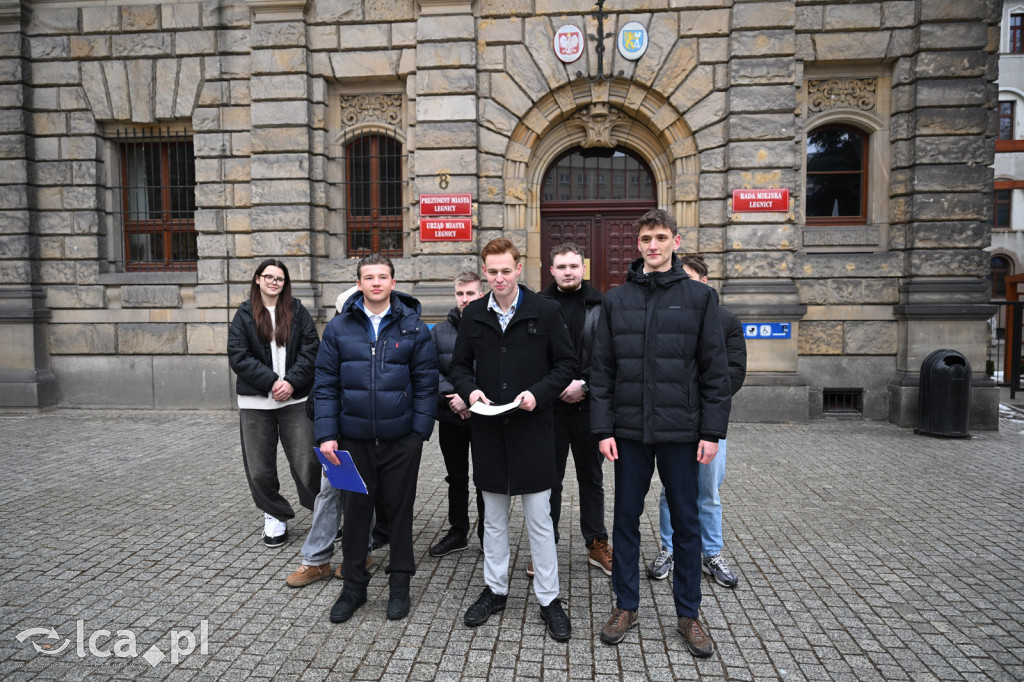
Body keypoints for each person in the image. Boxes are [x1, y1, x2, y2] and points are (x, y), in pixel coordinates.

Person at [589, 209, 731, 657]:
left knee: (687, 523)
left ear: (676, 241)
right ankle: (625, 605)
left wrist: (712, 431)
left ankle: (689, 613)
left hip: (682, 432)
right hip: (629, 432)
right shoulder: (616, 300)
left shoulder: (700, 298)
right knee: (625, 520)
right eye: (647, 238)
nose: (653, 245)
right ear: (638, 244)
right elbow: (602, 371)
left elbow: (715, 371)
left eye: (661, 237)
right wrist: (603, 428)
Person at [449, 238, 577, 642]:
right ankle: (495, 590)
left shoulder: (546, 310)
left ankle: (549, 599)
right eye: (492, 272)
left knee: (540, 520)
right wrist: (470, 391)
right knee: (494, 520)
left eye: (506, 270)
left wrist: (538, 394)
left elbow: (566, 364)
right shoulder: (473, 314)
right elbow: (458, 366)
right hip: (489, 430)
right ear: (484, 272)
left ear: (519, 269)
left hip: (533, 429)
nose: (499, 278)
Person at [312, 253, 438, 623]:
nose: (376, 283)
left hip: (401, 440)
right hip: (352, 442)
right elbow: (326, 383)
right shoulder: (339, 327)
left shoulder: (414, 327)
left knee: (399, 513)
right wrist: (326, 434)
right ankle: (354, 587)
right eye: (369, 277)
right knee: (355, 515)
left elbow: (426, 383)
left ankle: (400, 585)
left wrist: (418, 433)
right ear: (359, 284)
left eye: (383, 276)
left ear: (393, 283)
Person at [647, 254, 747, 587]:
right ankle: (669, 549)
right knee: (671, 491)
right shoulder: (665, 317)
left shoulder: (726, 321)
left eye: (688, 279)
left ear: (704, 283)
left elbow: (733, 373)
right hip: (674, 422)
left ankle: (711, 553)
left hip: (708, 422)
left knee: (708, 492)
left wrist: (702, 402)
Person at [227, 258, 321, 548]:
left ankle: (323, 512)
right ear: (258, 279)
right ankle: (274, 514)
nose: (273, 282)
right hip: (256, 403)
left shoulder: (297, 311)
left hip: (295, 399)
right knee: (259, 468)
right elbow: (238, 355)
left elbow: (311, 348)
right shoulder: (244, 314)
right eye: (268, 276)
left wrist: (290, 382)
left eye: (279, 278)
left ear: (285, 283)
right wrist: (271, 382)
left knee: (308, 461)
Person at [539, 242, 613, 576]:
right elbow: (531, 357)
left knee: (591, 479)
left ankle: (596, 544)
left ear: (583, 268)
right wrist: (554, 387)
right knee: (548, 481)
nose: (568, 272)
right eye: (561, 267)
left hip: (589, 409)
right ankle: (544, 546)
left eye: (573, 266)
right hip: (549, 410)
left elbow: (609, 357)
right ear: (551, 271)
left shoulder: (602, 305)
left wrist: (585, 385)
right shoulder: (537, 305)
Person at [428, 271, 487, 557]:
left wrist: (470, 398)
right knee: (456, 477)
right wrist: (454, 397)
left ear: (481, 295)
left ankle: (488, 534)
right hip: (451, 416)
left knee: (486, 478)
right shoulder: (438, 332)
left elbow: (496, 368)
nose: (465, 299)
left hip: (485, 416)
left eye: (470, 293)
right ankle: (458, 531)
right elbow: (429, 370)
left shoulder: (491, 327)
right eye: (460, 294)